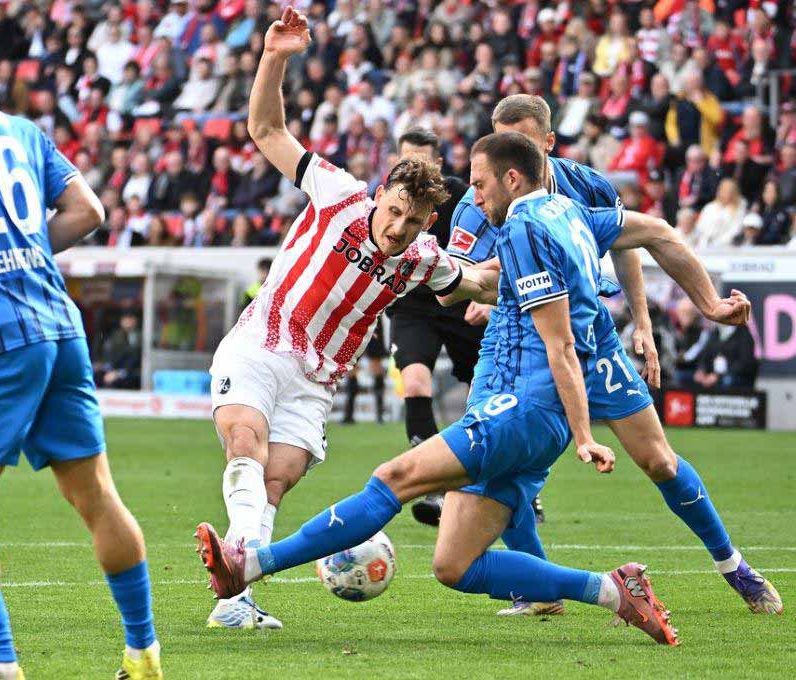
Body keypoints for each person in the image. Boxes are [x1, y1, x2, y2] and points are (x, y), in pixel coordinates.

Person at [195, 130, 682, 647]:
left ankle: (247, 565)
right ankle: (614, 590)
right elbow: (656, 231)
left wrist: (585, 433)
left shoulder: (525, 226)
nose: (474, 198)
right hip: (542, 420)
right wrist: (709, 303)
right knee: (456, 565)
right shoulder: (571, 217)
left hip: (523, 408)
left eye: (479, 185)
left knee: (394, 478)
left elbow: (558, 344)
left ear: (511, 179)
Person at [447, 94, 779, 618]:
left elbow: (634, 243)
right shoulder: (476, 201)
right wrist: (495, 288)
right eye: (501, 141)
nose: (509, 157)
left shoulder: (583, 186)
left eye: (523, 143)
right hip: (518, 348)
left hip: (592, 338)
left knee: (659, 460)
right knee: (497, 467)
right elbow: (452, 287)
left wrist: (655, 318)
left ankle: (734, 566)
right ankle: (542, 589)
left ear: (546, 145)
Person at [196, 7, 462, 631]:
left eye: (414, 222)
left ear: (427, 224)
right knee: (245, 446)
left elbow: (474, 281)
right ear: (382, 194)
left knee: (278, 481)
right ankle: (235, 574)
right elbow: (265, 127)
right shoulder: (338, 191)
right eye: (395, 211)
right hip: (262, 342)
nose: (399, 229)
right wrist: (276, 56)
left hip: (317, 380)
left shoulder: (424, 259)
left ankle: (235, 597)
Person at [0, 111, 161, 679]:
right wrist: (27, 252)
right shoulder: (18, 129)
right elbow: (89, 211)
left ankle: (3, 665)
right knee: (96, 495)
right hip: (57, 321)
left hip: (1, 333)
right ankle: (143, 655)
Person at [384, 127, 484, 526]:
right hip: (413, 304)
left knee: (485, 392)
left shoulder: (463, 196)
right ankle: (432, 485)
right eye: (407, 160)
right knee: (416, 383)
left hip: (460, 297)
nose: (416, 168)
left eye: (423, 160)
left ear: (439, 164)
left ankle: (507, 485)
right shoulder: (388, 198)